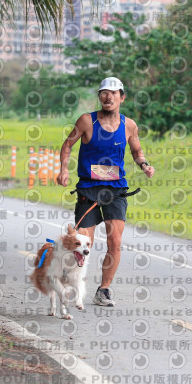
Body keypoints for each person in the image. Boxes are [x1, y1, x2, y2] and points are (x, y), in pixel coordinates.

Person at [57, 77, 155, 307]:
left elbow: (137, 151)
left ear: (122, 97)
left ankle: (103, 290)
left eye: (113, 93)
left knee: (115, 241)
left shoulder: (129, 125)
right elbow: (67, 145)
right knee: (81, 242)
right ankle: (69, 277)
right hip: (89, 189)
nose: (108, 97)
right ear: (99, 96)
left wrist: (144, 165)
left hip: (115, 190)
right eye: (104, 92)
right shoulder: (86, 121)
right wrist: (63, 170)